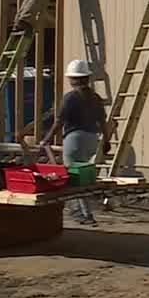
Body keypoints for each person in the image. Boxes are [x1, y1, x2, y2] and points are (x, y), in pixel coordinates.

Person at [44, 59, 107, 225]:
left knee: (71, 178)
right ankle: (86, 213)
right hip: (92, 139)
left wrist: (48, 138)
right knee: (83, 179)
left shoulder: (71, 98)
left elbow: (59, 121)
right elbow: (103, 121)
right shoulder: (95, 98)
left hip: (75, 139)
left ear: (72, 78)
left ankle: (82, 214)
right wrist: (106, 140)